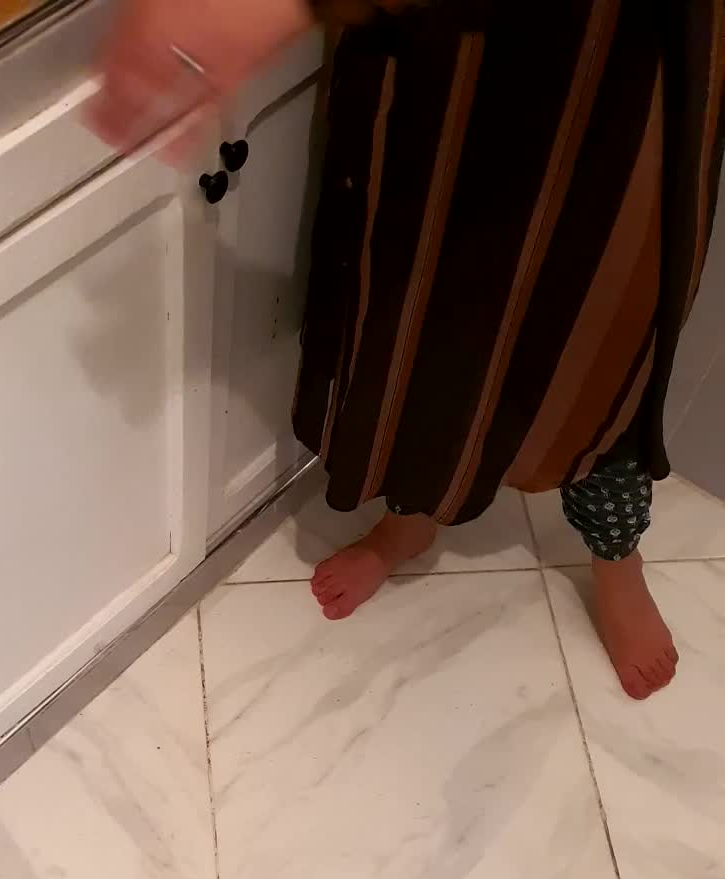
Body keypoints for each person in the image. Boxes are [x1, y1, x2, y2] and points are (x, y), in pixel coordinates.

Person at [92, 0, 725, 700]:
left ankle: (617, 557)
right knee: (419, 308)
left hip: (627, 51)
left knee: (598, 343)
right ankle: (410, 519)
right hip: (441, 50)